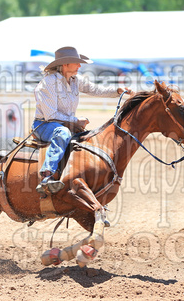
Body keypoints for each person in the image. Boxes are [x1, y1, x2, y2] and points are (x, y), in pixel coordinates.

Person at [32, 46, 133, 195]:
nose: (80, 66)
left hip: (65, 125)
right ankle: (47, 175)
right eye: (77, 62)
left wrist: (117, 90)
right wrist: (75, 121)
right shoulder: (48, 83)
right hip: (43, 125)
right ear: (66, 64)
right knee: (62, 133)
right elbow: (50, 115)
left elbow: (95, 89)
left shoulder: (75, 80)